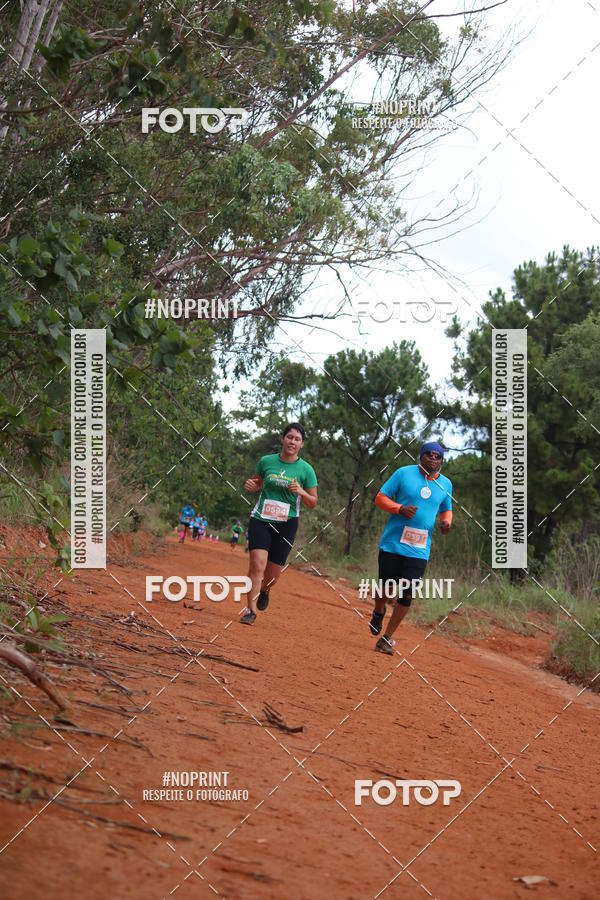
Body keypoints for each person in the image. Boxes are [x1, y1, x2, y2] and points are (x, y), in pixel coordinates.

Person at [370, 441, 452, 654]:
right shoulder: (403, 473)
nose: (433, 459)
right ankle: (379, 611)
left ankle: (386, 638)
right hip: (392, 544)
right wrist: (399, 509)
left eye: (438, 456)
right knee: (385, 589)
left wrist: (446, 522)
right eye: (429, 454)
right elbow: (380, 498)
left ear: (442, 461)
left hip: (419, 549)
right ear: (421, 456)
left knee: (407, 593)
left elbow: (446, 509)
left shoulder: (446, 484)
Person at [240, 423, 318, 625]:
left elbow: (313, 502)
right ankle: (250, 610)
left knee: (273, 576)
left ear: (302, 444)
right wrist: (251, 485)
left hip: (286, 524)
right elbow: (256, 483)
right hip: (261, 519)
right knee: (257, 565)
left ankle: (265, 590)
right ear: (283, 439)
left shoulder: (306, 470)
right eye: (289, 437)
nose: (292, 441)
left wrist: (301, 492)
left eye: (297, 439)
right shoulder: (266, 461)